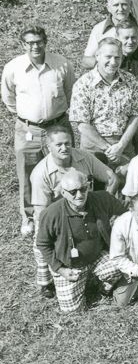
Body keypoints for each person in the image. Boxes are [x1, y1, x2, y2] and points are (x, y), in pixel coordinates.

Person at [3, 25, 74, 235]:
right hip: (28, 129)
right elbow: (8, 97)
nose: (35, 46)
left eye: (39, 42)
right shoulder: (13, 68)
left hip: (58, 126)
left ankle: (65, 212)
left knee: (63, 167)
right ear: (23, 45)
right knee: (27, 173)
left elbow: (71, 92)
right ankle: (28, 218)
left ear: (45, 42)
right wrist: (27, 117)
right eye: (30, 43)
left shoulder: (62, 64)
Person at [28, 130, 118, 298]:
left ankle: (99, 269)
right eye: (58, 144)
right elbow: (42, 213)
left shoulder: (85, 157)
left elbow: (112, 178)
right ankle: (46, 281)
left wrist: (104, 203)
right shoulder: (40, 173)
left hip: (84, 209)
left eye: (67, 143)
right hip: (56, 217)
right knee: (41, 241)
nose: (64, 148)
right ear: (48, 147)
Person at [35, 168, 127, 313]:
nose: (79, 195)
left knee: (121, 266)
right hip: (69, 265)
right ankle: (64, 282)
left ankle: (102, 287)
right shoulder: (51, 213)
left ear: (88, 186)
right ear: (63, 193)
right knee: (72, 311)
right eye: (73, 192)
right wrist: (60, 269)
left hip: (97, 256)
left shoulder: (102, 198)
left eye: (83, 189)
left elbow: (126, 212)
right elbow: (42, 243)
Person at [69, 38, 138, 168]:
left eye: (117, 58)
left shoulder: (130, 80)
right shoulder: (83, 84)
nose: (113, 62)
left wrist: (121, 145)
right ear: (97, 56)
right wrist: (109, 149)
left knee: (128, 179)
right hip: (93, 148)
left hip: (124, 145)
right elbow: (82, 124)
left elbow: (136, 115)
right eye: (108, 57)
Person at [82, 0, 138, 69]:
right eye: (116, 5)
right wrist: (107, 61)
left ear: (130, 5)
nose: (120, 9)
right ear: (108, 7)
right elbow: (86, 61)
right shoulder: (99, 29)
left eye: (124, 4)